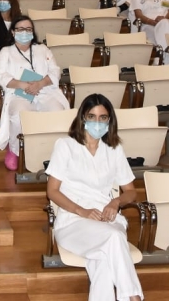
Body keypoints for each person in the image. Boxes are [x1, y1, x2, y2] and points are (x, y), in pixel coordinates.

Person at [46, 94, 143, 301]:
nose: (97, 122)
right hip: (73, 222)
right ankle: (134, 298)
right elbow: (52, 191)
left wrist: (115, 202)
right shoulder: (65, 146)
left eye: (103, 117)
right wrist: (81, 211)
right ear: (82, 118)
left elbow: (132, 191)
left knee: (105, 261)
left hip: (107, 219)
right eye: (92, 116)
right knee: (114, 240)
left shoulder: (114, 149)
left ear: (110, 121)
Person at [0, 16, 67, 171]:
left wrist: (40, 84)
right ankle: (16, 151)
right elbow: (0, 75)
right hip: (18, 92)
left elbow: (55, 71)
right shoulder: (5, 52)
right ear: (13, 32)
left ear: (33, 33)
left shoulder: (43, 49)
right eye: (20, 29)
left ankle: (52, 152)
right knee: (21, 113)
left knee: (57, 111)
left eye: (28, 29)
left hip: (45, 90)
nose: (25, 32)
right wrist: (23, 84)